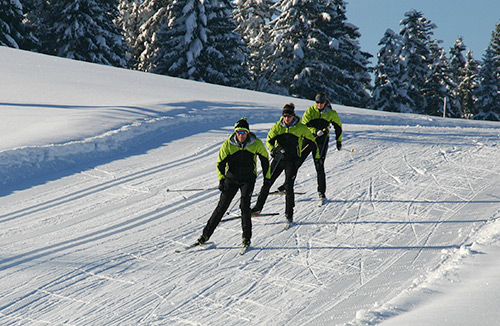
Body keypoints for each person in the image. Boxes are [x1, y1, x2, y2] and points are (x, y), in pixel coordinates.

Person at [195, 118, 270, 249]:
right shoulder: (228, 144)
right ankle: (205, 236)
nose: (241, 135)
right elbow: (220, 163)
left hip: (248, 179)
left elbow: (265, 159)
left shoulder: (255, 143)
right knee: (221, 207)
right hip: (231, 179)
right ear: (236, 132)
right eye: (239, 132)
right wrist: (221, 179)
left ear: (247, 132)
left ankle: (246, 238)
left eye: (244, 132)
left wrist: (267, 177)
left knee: (244, 206)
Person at [251, 103, 320, 224]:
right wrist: (272, 150)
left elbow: (312, 142)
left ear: (293, 116)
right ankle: (258, 208)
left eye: (289, 116)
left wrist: (317, 156)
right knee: (267, 182)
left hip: (292, 161)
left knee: (289, 186)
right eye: (285, 116)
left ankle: (289, 214)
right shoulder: (277, 127)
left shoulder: (300, 128)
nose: (287, 119)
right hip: (278, 160)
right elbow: (269, 140)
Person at [291, 92, 342, 202]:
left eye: (321, 103)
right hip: (309, 138)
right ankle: (287, 185)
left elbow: (338, 127)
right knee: (297, 161)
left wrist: (338, 141)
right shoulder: (311, 110)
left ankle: (321, 192)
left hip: (321, 141)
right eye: (317, 102)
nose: (319, 105)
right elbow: (304, 125)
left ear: (325, 102)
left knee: (319, 165)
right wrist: (314, 131)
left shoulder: (330, 113)